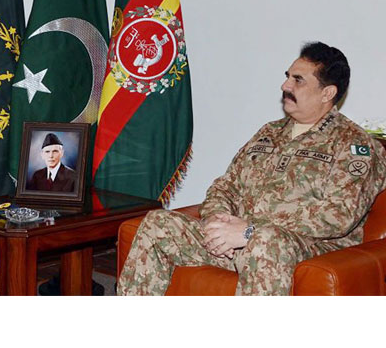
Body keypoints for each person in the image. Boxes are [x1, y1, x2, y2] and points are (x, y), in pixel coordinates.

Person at [118, 42, 386, 295]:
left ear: (328, 93)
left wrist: (250, 230)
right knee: (157, 223)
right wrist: (217, 221)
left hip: (308, 248)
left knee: (266, 242)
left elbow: (338, 215)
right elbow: (227, 185)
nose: (285, 85)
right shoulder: (269, 133)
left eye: (298, 80)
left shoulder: (354, 144)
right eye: (288, 76)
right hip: (238, 239)